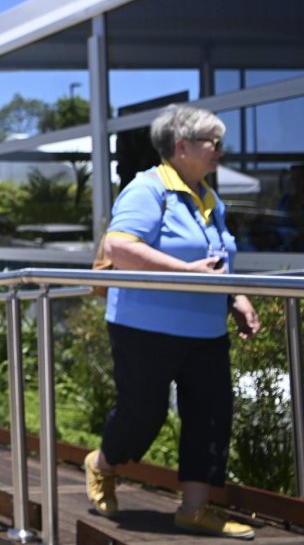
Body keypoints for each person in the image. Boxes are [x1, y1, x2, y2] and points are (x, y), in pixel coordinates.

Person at [85, 104, 260, 540]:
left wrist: (235, 296)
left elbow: (218, 260)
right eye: (212, 143)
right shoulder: (148, 189)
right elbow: (119, 246)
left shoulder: (207, 196)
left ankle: (194, 510)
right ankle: (102, 463)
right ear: (181, 147)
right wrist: (187, 274)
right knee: (142, 414)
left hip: (205, 330)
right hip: (145, 327)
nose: (220, 151)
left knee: (211, 416)